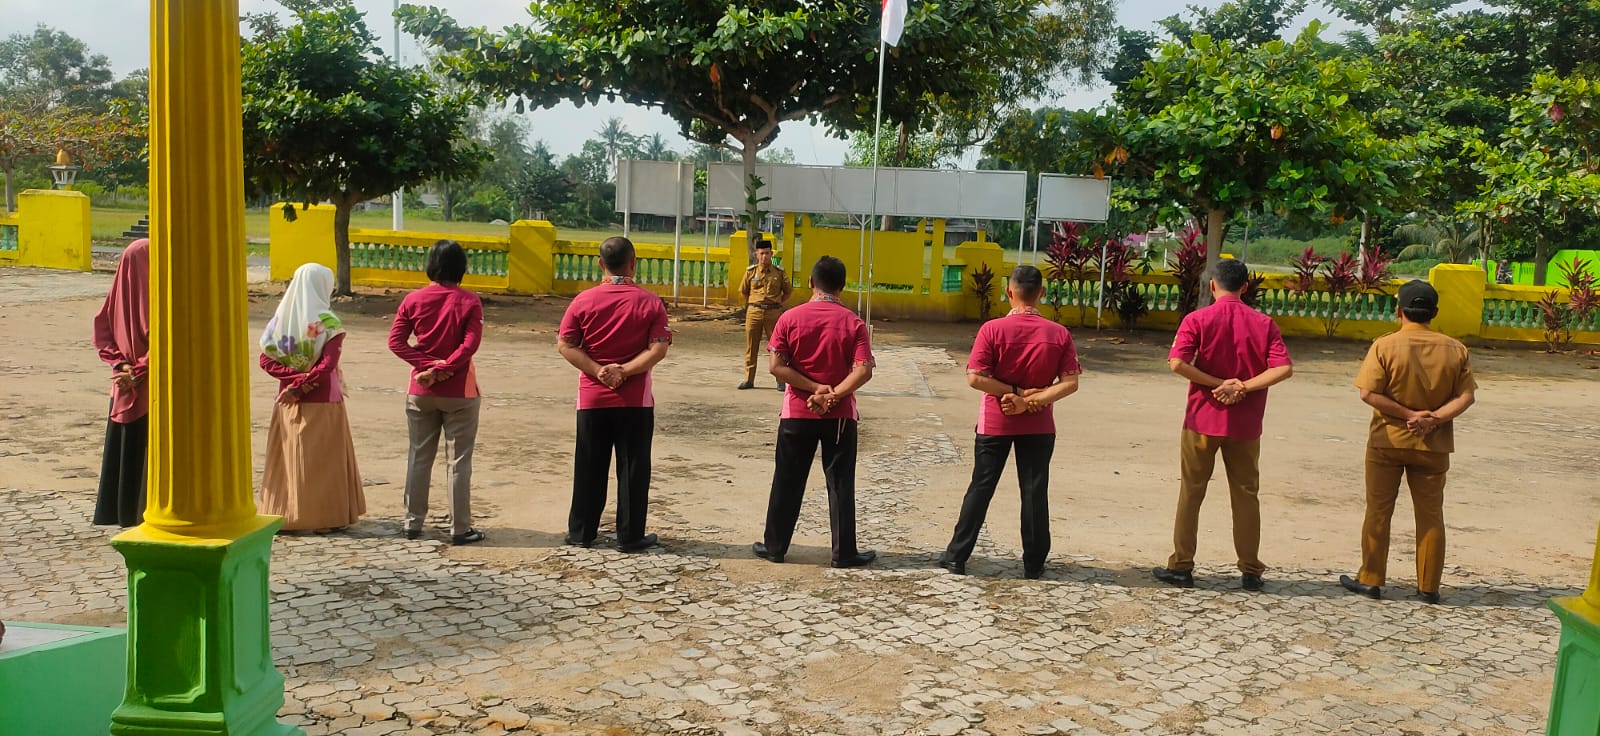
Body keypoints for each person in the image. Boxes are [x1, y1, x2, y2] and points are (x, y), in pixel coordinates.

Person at [1153, 259, 1293, 591]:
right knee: (1246, 494)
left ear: (1212, 285)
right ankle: (1250, 569)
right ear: (1246, 287)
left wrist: (1216, 382)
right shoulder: (1263, 322)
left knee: (1191, 491)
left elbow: (1177, 363)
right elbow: (1283, 368)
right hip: (1245, 424)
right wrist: (1243, 386)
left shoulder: (1198, 319)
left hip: (1202, 417)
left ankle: (1183, 565)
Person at [937, 265, 1081, 579]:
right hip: (1039, 423)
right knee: (1033, 489)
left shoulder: (992, 330)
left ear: (1009, 292)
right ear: (1042, 293)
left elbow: (975, 377)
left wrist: (1012, 394)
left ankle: (956, 556)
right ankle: (1033, 563)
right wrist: (1030, 400)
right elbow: (1070, 383)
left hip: (995, 421)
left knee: (981, 486)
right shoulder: (1058, 334)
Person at [1340, 280, 1476, 604]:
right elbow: (1467, 396)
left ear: (1398, 311)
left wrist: (1407, 414)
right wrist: (1433, 419)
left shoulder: (1385, 346)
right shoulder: (1456, 349)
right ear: (1435, 313)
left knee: (1378, 511)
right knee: (1430, 515)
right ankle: (1428, 586)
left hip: (1387, 441)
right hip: (1433, 444)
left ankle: (1371, 579)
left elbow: (1368, 393)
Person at [752, 255, 877, 569]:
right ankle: (843, 552)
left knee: (787, 479)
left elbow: (776, 366)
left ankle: (775, 546)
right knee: (840, 482)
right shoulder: (854, 323)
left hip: (797, 411)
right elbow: (863, 371)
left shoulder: (789, 319)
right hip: (840, 415)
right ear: (843, 286)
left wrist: (812, 388)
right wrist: (833, 393)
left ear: (810, 283)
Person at [557, 236, 672, 552]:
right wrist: (625, 371)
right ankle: (630, 534)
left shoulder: (583, 301)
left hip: (592, 397)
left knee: (589, 465)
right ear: (634, 264)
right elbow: (658, 348)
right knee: (633, 467)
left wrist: (598, 371)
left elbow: (566, 344)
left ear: (600, 264)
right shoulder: (650, 302)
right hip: (634, 399)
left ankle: (581, 531)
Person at [388, 240, 486, 545]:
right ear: (461, 267)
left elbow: (396, 342)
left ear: (430, 265)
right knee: (458, 461)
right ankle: (460, 528)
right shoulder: (470, 302)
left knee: (419, 456)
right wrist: (445, 367)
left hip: (421, 388)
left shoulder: (413, 300)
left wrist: (427, 366)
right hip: (460, 390)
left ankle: (412, 522)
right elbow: (469, 346)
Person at [257, 263, 366, 532]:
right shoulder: (328, 321)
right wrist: (304, 385)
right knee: (322, 461)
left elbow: (265, 360)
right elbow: (327, 365)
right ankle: (324, 516)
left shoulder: (281, 321)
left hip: (286, 399)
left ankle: (288, 511)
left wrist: (292, 382)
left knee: (290, 456)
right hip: (322, 398)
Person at [91, 239, 150, 528]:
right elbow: (167, 340)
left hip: (123, 383)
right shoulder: (162, 297)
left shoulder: (119, 293)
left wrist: (123, 366)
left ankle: (122, 512)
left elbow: (103, 330)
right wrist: (137, 370)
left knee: (127, 445)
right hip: (148, 385)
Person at [737, 237, 792, 390]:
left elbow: (788, 292)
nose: (764, 257)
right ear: (756, 254)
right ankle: (749, 379)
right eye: (761, 253)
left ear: (771, 253)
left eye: (767, 253)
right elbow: (743, 291)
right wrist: (754, 303)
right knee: (751, 346)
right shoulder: (750, 272)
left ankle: (780, 380)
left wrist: (777, 302)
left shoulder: (779, 272)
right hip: (754, 311)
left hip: (773, 312)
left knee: (777, 347)